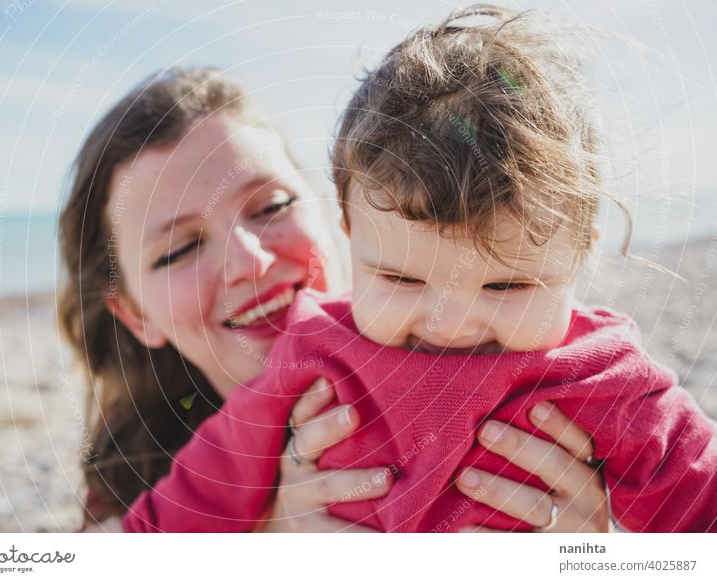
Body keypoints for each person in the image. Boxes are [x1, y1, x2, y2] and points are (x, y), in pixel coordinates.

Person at [116, 6, 717, 533]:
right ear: (350, 229)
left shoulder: (602, 377)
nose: (451, 323)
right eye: (402, 280)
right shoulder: (314, 350)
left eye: (507, 284)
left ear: (581, 252)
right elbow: (197, 498)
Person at [59, 63, 611, 532]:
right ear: (134, 315)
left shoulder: (535, 379)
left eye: (271, 206)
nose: (250, 260)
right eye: (178, 250)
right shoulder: (132, 504)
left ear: (335, 215)